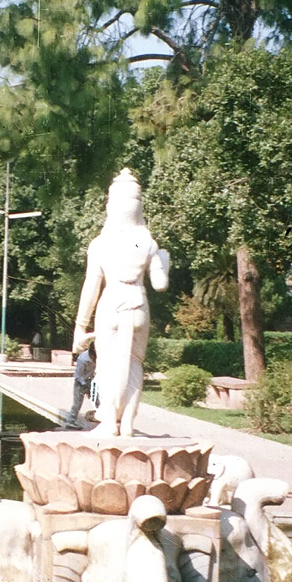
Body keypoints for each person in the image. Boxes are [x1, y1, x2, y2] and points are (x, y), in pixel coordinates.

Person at [72, 168, 169, 437]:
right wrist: (165, 261)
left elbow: (91, 287)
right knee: (135, 364)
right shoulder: (149, 243)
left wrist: (80, 326)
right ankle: (127, 423)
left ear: (111, 207)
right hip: (139, 305)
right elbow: (160, 284)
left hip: (111, 304)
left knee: (107, 365)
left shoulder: (100, 243)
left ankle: (109, 422)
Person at [65, 342, 97, 427]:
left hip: (90, 380)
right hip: (80, 382)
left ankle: (100, 415)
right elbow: (78, 375)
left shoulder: (97, 356)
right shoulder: (83, 359)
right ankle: (70, 421)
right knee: (77, 403)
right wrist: (85, 386)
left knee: (98, 398)